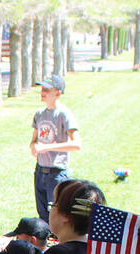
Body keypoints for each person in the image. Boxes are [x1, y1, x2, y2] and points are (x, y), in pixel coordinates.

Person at [30, 75, 80, 222]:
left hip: (57, 174)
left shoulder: (64, 114)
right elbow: (33, 140)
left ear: (57, 93)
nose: (42, 92)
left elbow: (77, 144)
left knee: (59, 218)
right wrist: (34, 147)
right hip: (40, 172)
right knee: (43, 217)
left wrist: (48, 147)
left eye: (47, 89)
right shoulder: (39, 114)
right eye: (42, 89)